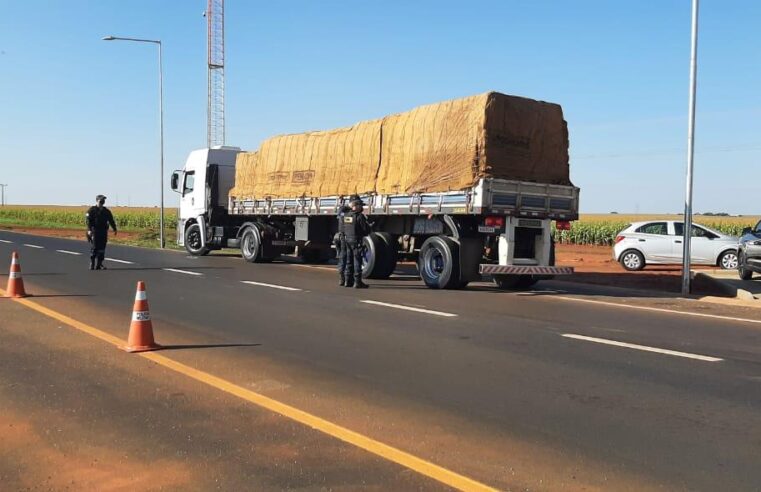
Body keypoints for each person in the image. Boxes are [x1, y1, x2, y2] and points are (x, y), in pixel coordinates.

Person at [342, 195, 371, 289]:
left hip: (347, 240)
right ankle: (357, 282)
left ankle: (347, 281)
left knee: (349, 260)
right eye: (360, 205)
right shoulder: (359, 216)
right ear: (356, 205)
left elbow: (343, 227)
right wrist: (369, 227)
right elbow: (365, 230)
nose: (362, 207)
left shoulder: (346, 215)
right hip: (356, 240)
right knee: (357, 260)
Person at [86, 195, 117, 270]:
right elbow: (88, 221)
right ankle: (92, 263)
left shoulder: (106, 211)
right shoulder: (91, 210)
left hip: (103, 231)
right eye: (101, 200)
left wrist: (114, 229)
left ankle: (99, 264)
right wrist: (89, 230)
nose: (102, 202)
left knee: (102, 248)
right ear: (97, 200)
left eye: (103, 200)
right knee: (95, 247)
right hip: (94, 231)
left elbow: (111, 220)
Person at [335, 201, 352, 286]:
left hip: (342, 237)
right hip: (347, 237)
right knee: (348, 257)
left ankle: (342, 279)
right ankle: (347, 279)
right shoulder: (348, 215)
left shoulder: (341, 215)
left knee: (343, 257)